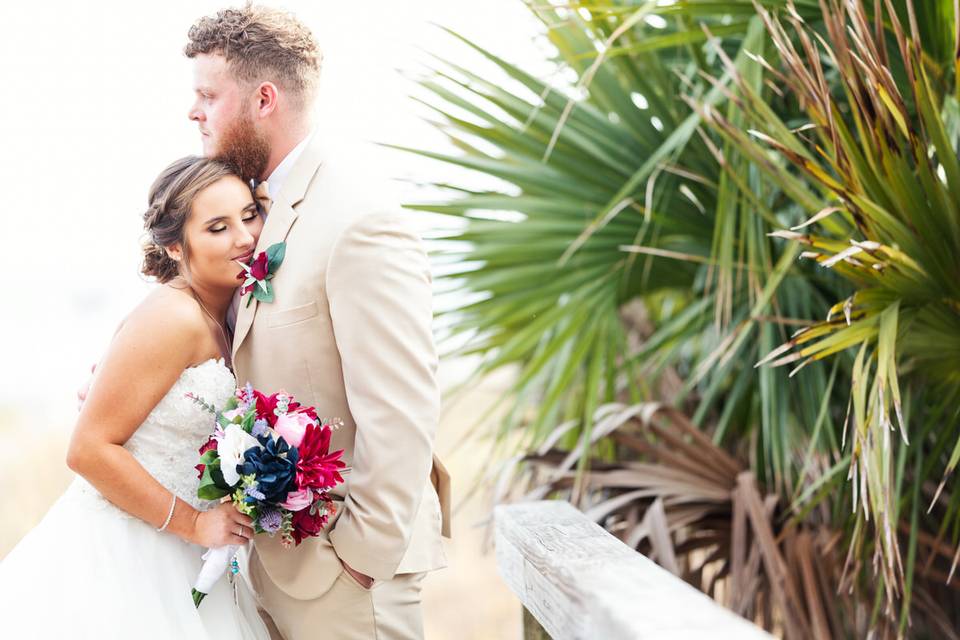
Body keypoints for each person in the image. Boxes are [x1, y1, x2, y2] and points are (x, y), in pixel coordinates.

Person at [184, 5, 450, 639]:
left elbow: (402, 406)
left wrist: (359, 559)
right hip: (274, 568)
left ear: (264, 98)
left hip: (345, 581)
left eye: (207, 96)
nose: (193, 113)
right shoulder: (255, 212)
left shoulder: (358, 219)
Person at [0, 156, 272, 639]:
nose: (245, 237)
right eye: (217, 227)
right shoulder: (173, 316)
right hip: (124, 553)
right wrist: (194, 525)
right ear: (173, 245)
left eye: (249, 215)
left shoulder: (224, 312)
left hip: (185, 557)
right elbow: (87, 450)